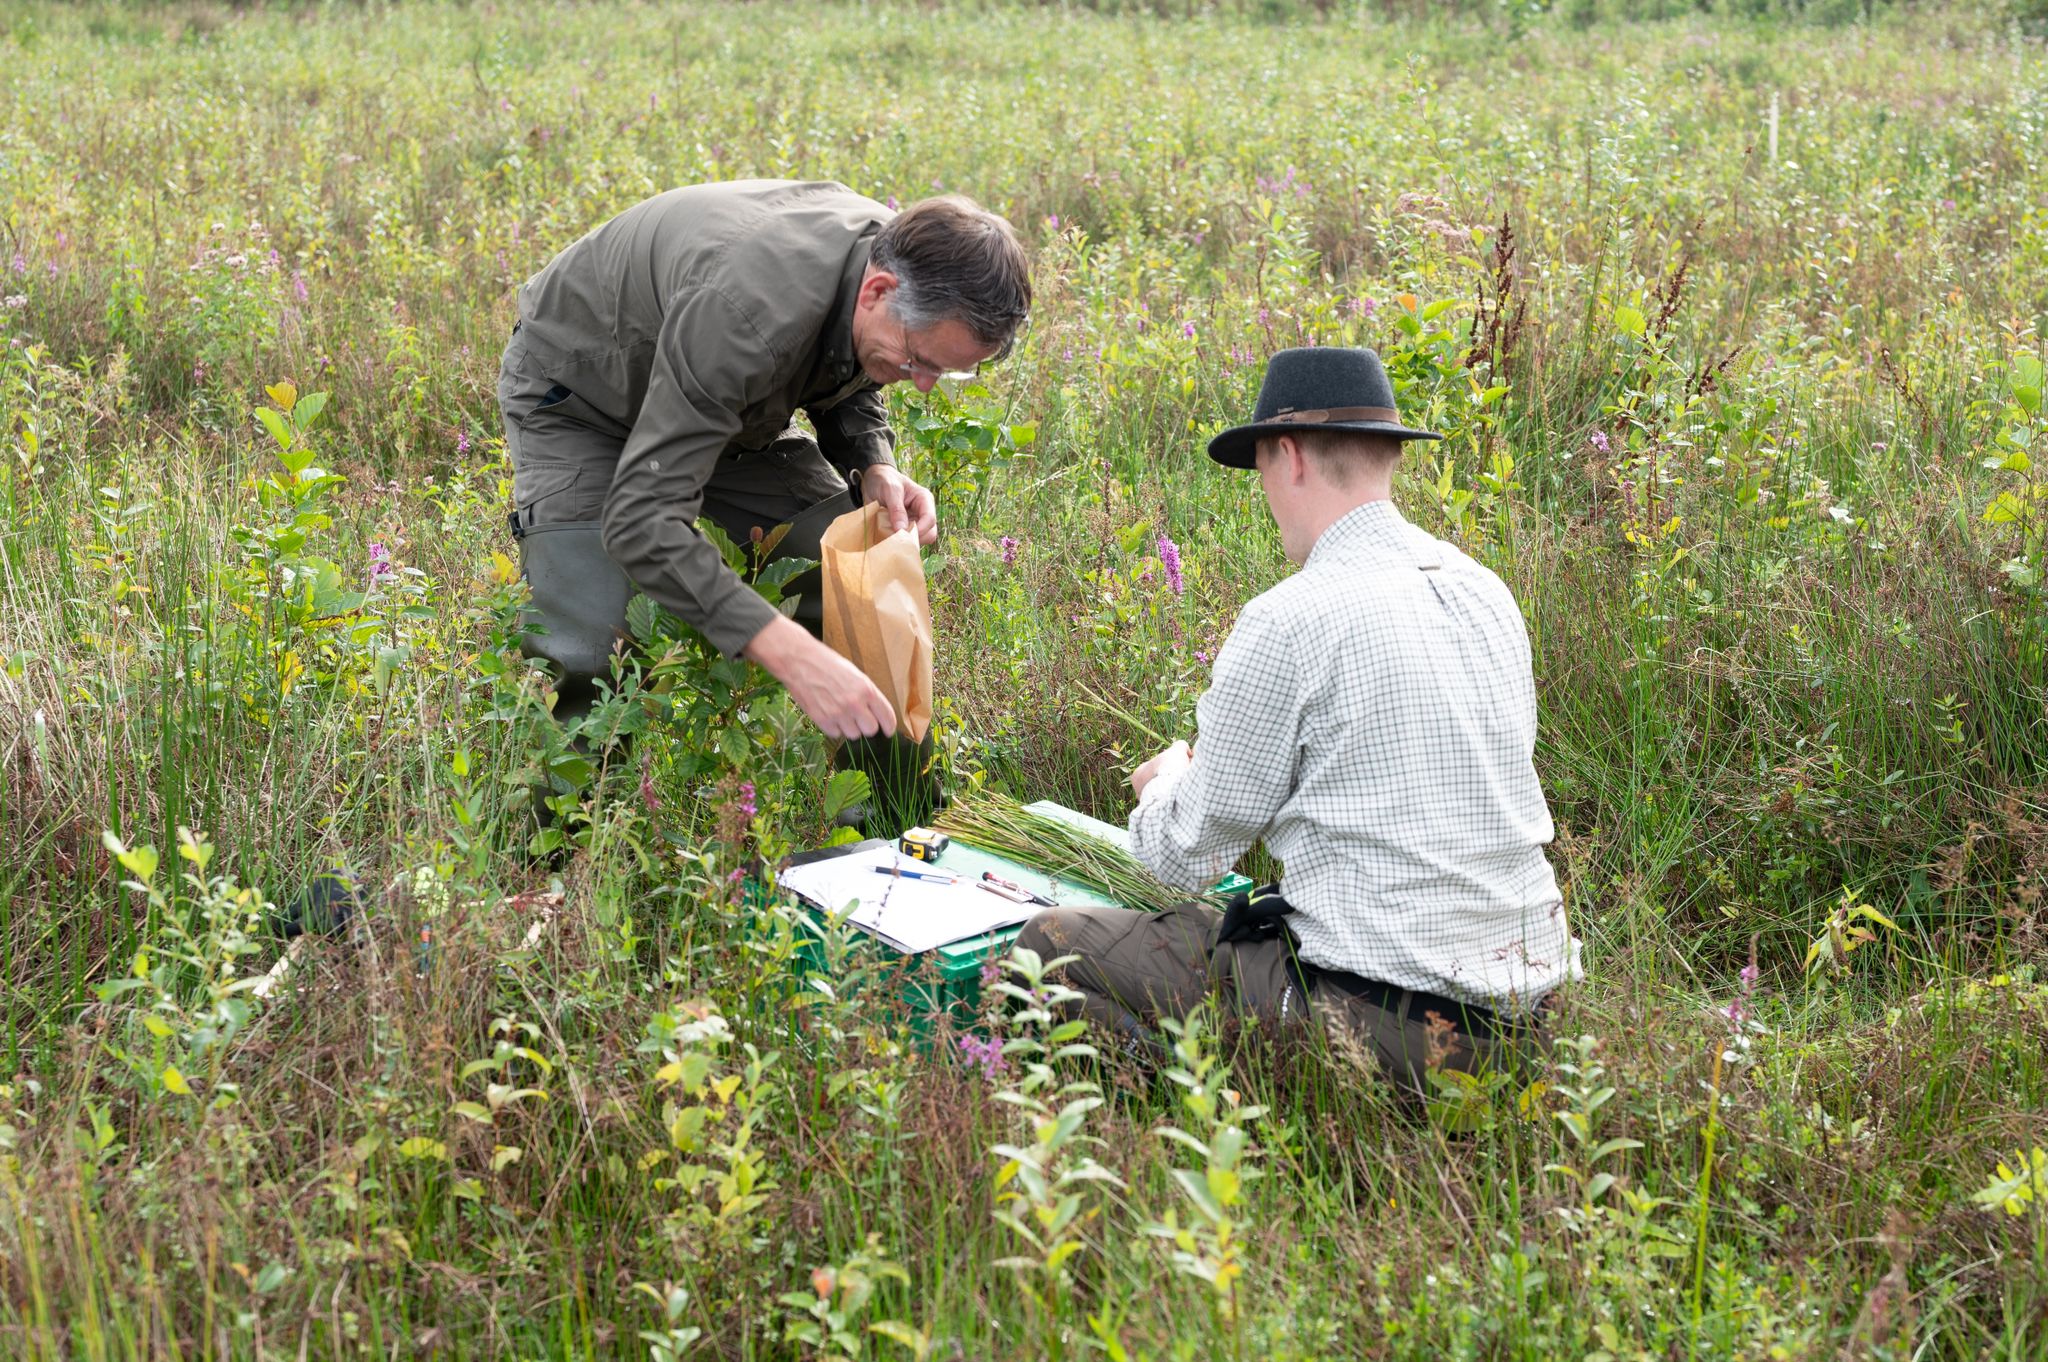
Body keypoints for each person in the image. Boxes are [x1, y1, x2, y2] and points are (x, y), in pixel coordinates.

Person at [1015, 347, 1581, 1095]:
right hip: (1536, 1023)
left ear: (1287, 457)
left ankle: (1217, 1116)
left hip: (1388, 1028)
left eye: (1258, 472)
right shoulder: (1485, 592)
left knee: (1045, 948)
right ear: (1386, 455)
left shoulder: (1290, 618)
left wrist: (1167, 784)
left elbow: (1179, 860)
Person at [496, 180, 1030, 821]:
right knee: (596, 642)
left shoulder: (887, 261)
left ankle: (903, 826)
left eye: (944, 371)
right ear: (879, 291)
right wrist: (785, 649)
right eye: (919, 360)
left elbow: (845, 358)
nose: (921, 384)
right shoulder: (747, 312)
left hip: (713, 401)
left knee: (848, 581)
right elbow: (640, 520)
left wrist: (872, 462)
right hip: (585, 398)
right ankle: (558, 873)